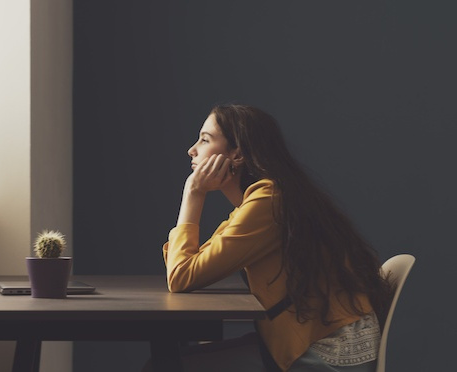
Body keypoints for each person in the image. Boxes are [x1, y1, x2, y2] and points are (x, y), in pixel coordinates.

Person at [146, 104, 393, 372]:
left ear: (236, 154)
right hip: (309, 340)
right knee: (164, 364)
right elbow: (185, 268)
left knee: (163, 367)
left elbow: (182, 276)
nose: (192, 150)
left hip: (328, 352)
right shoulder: (257, 202)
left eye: (205, 139)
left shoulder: (269, 201)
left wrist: (193, 193)